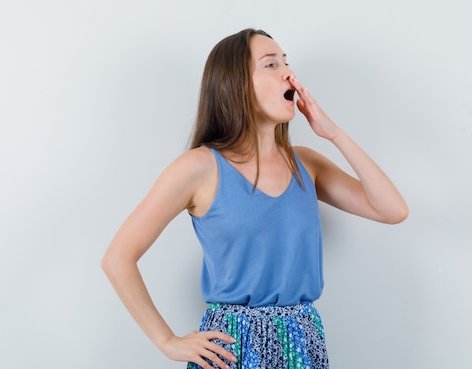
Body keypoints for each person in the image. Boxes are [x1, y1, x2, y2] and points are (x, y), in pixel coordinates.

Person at [101, 28, 408, 369]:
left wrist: (332, 133)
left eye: (287, 63)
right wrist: (167, 341)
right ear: (235, 84)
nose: (289, 74)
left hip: (302, 342)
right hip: (232, 346)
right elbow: (118, 257)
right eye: (271, 65)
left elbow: (392, 209)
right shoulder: (198, 168)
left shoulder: (306, 163)